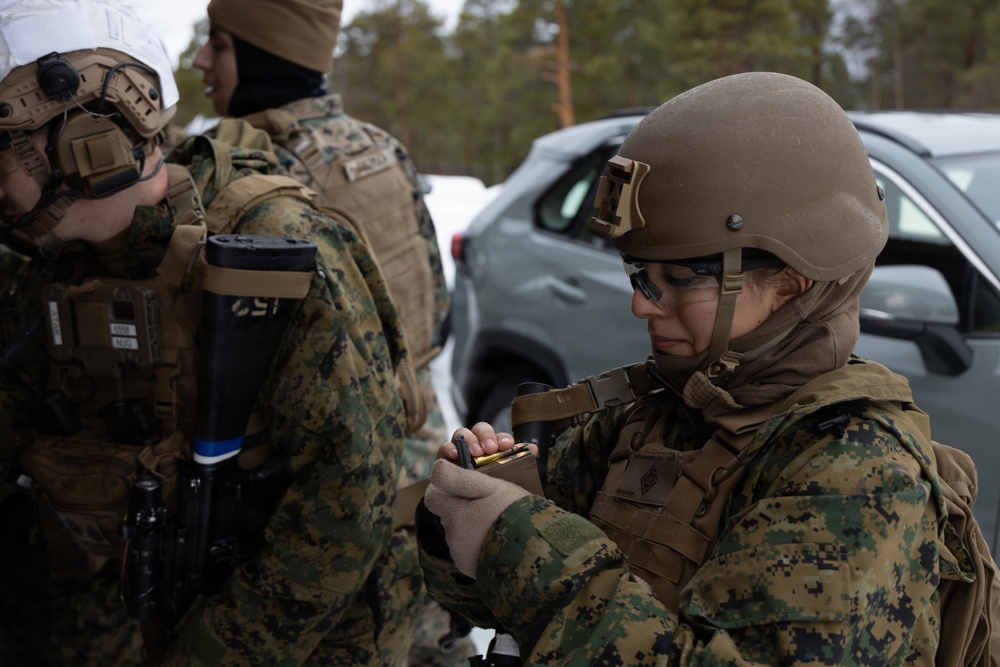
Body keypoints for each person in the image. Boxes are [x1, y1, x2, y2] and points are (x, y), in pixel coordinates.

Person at [417, 71, 974, 664]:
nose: (641, 305)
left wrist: (517, 542)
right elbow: (487, 596)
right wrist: (468, 511)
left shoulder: (858, 472)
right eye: (640, 275)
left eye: (680, 279)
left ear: (791, 281)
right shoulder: (658, 412)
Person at [0, 1, 421, 665]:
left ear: (87, 144)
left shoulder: (274, 249)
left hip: (308, 631)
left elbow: (347, 498)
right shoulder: (60, 261)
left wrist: (210, 654)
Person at [190, 1, 467, 663]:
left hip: (325, 507)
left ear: (262, 55)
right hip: (424, 473)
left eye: (219, 45)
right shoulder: (377, 146)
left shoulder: (246, 175)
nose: (202, 62)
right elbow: (434, 302)